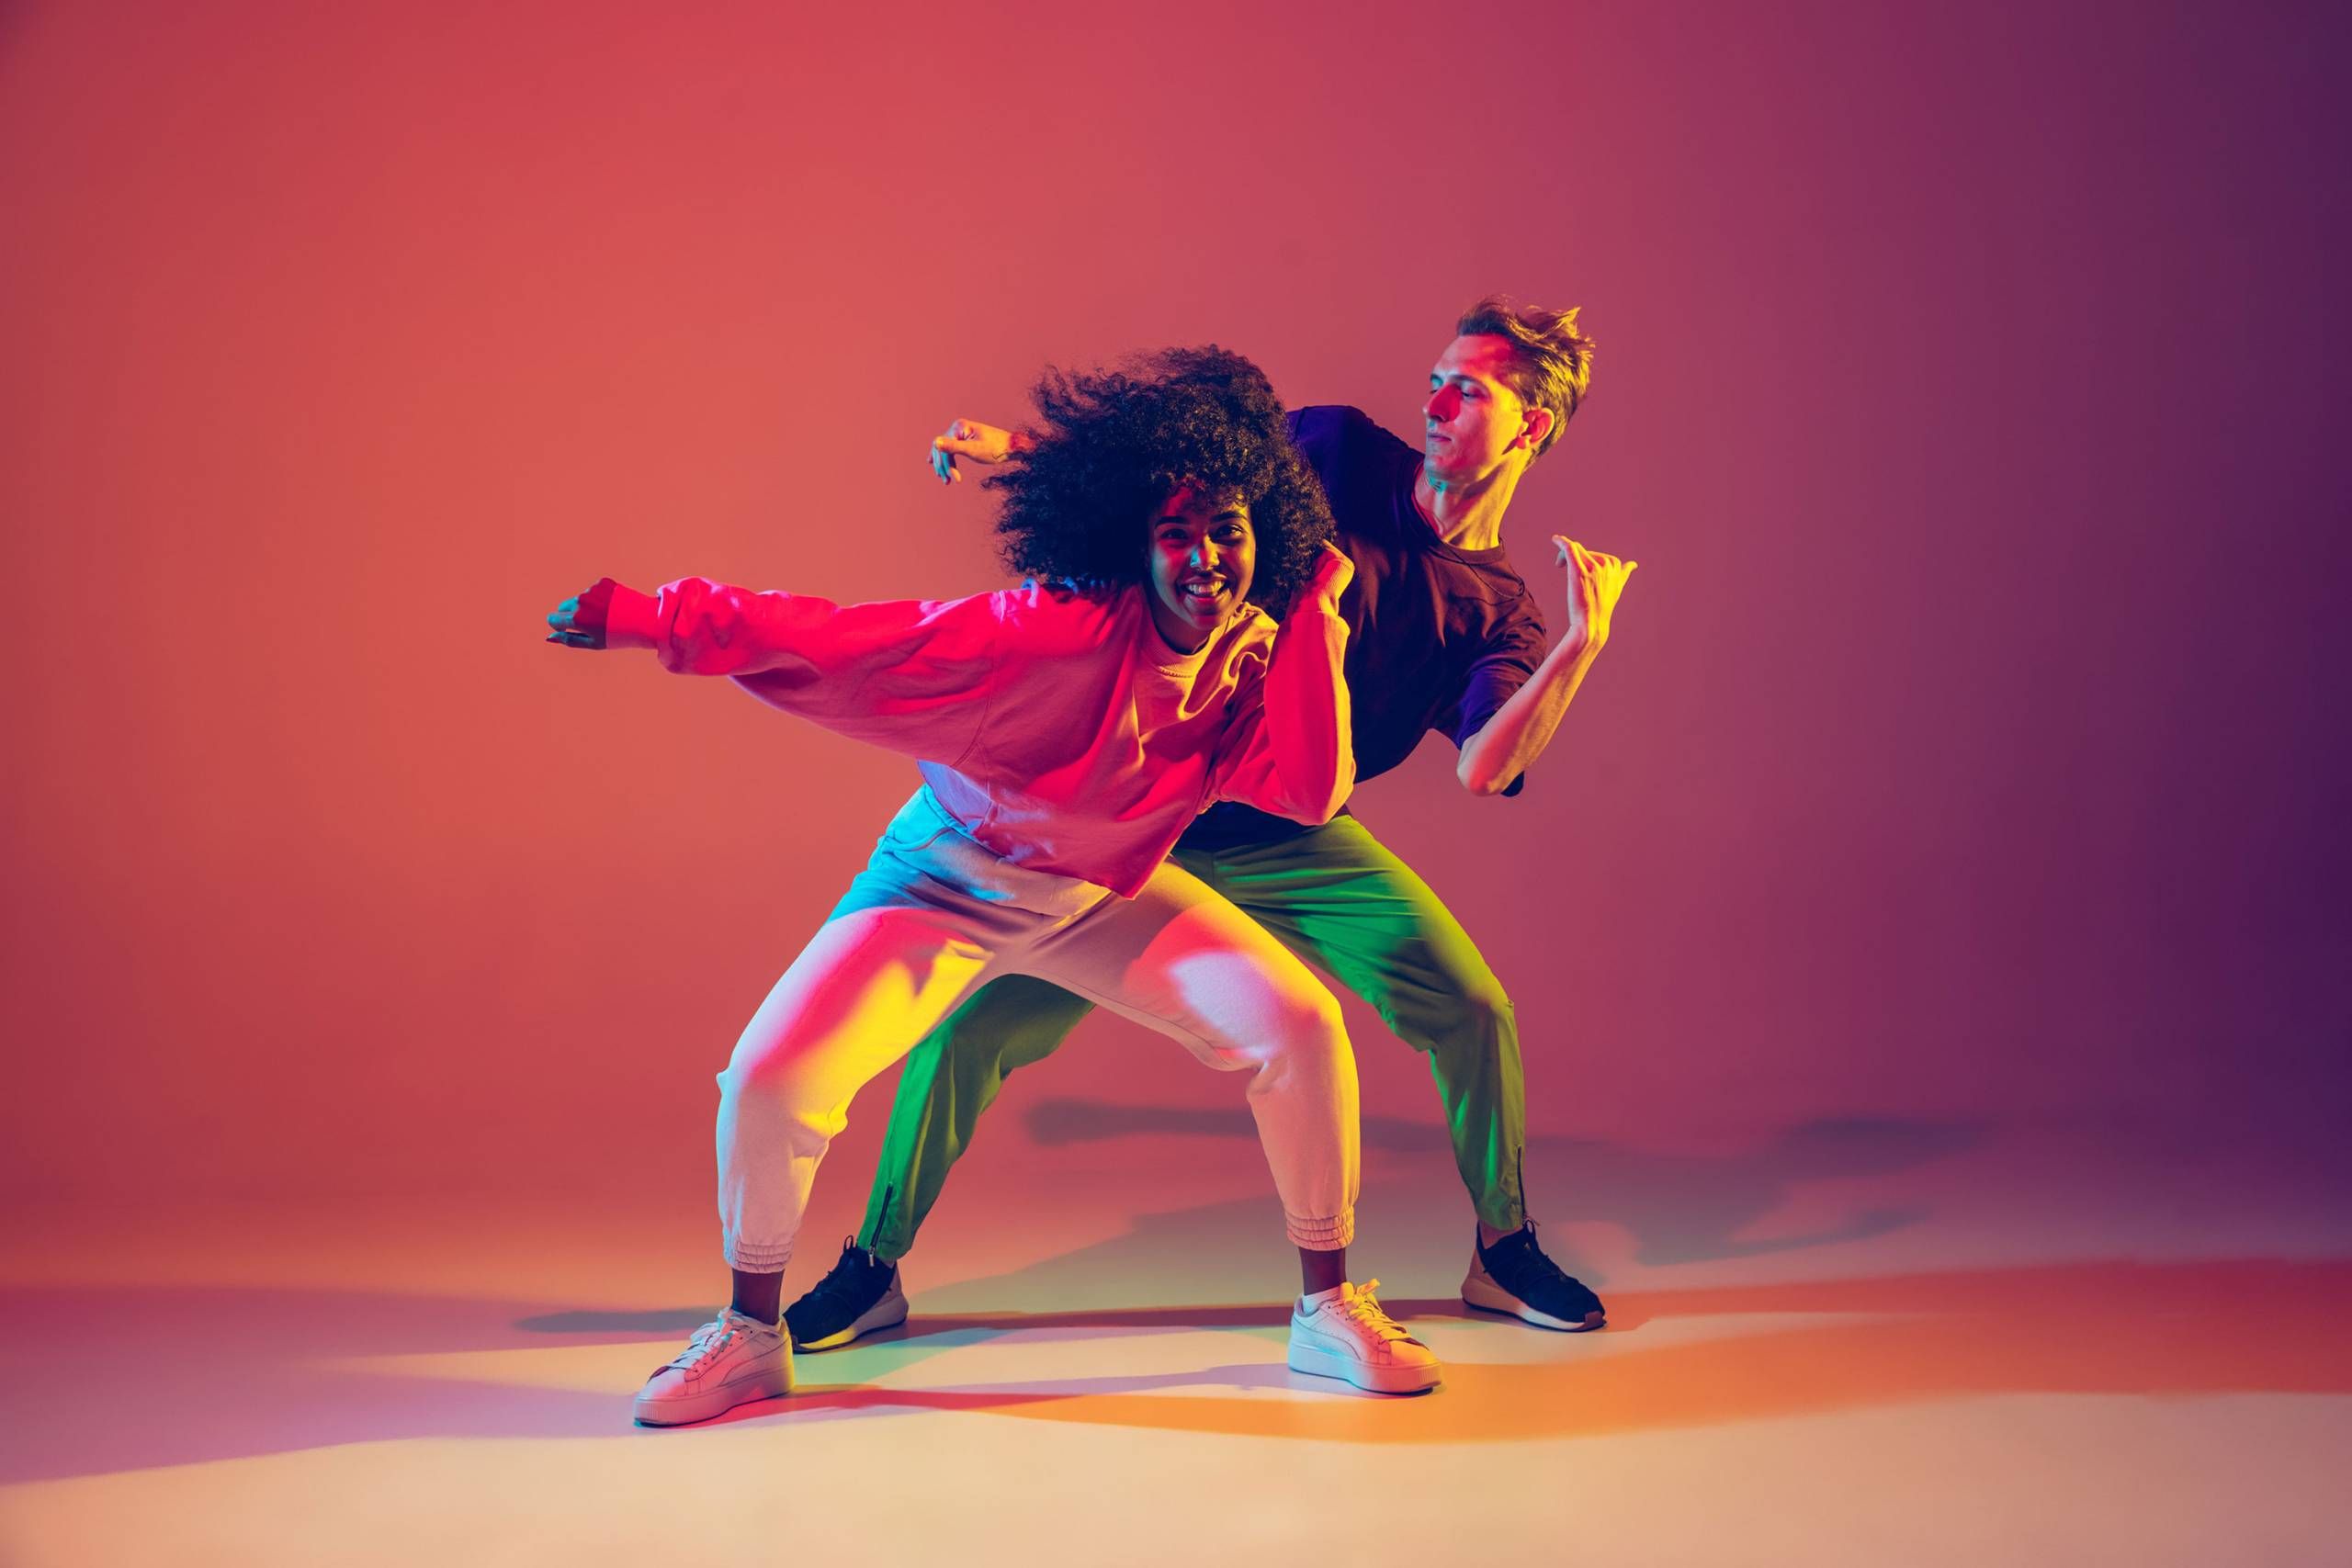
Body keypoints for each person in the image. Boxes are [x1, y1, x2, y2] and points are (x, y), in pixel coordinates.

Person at [546, 347, 1442, 1426]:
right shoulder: (1053, 629)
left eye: (1230, 530)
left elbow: (1306, 790)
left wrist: (1312, 615)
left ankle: (1327, 1306)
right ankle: (747, 1336)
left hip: (1099, 897)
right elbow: (851, 642)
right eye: (1176, 532)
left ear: (1270, 537)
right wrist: (659, 618)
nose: (1207, 558)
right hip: (945, 885)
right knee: (769, 1078)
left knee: (1299, 1025)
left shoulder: (1260, 648)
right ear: (1133, 542)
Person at [787, 299, 1637, 1352]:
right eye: (1435, 380)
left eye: (1467, 391)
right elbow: (1175, 477)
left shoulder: (1496, 611)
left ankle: (1502, 1252)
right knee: (971, 1032)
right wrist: (1023, 452)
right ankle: (871, 1268)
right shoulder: (1336, 453)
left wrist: (1580, 645)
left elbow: (1484, 768)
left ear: (1531, 427)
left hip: (1291, 833)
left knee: (1471, 1007)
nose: (1434, 404)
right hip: (1150, 803)